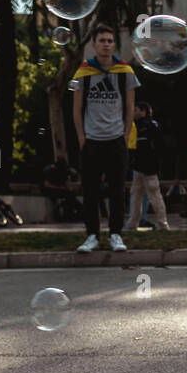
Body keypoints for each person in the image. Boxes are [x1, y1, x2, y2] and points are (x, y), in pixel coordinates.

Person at [73, 23, 138, 253]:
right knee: (90, 192)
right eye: (102, 40)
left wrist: (125, 135)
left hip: (116, 140)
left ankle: (116, 235)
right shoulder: (83, 71)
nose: (106, 44)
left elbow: (130, 107)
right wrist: (81, 137)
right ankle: (91, 235)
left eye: (110, 41)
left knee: (117, 191)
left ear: (114, 44)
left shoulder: (125, 71)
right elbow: (76, 108)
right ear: (94, 44)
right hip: (92, 141)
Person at [126, 101, 171, 232]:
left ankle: (162, 224)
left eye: (136, 110)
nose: (133, 113)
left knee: (153, 195)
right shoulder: (136, 126)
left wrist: (154, 164)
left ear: (143, 111)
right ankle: (133, 223)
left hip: (148, 168)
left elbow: (159, 147)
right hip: (138, 167)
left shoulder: (150, 126)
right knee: (135, 195)